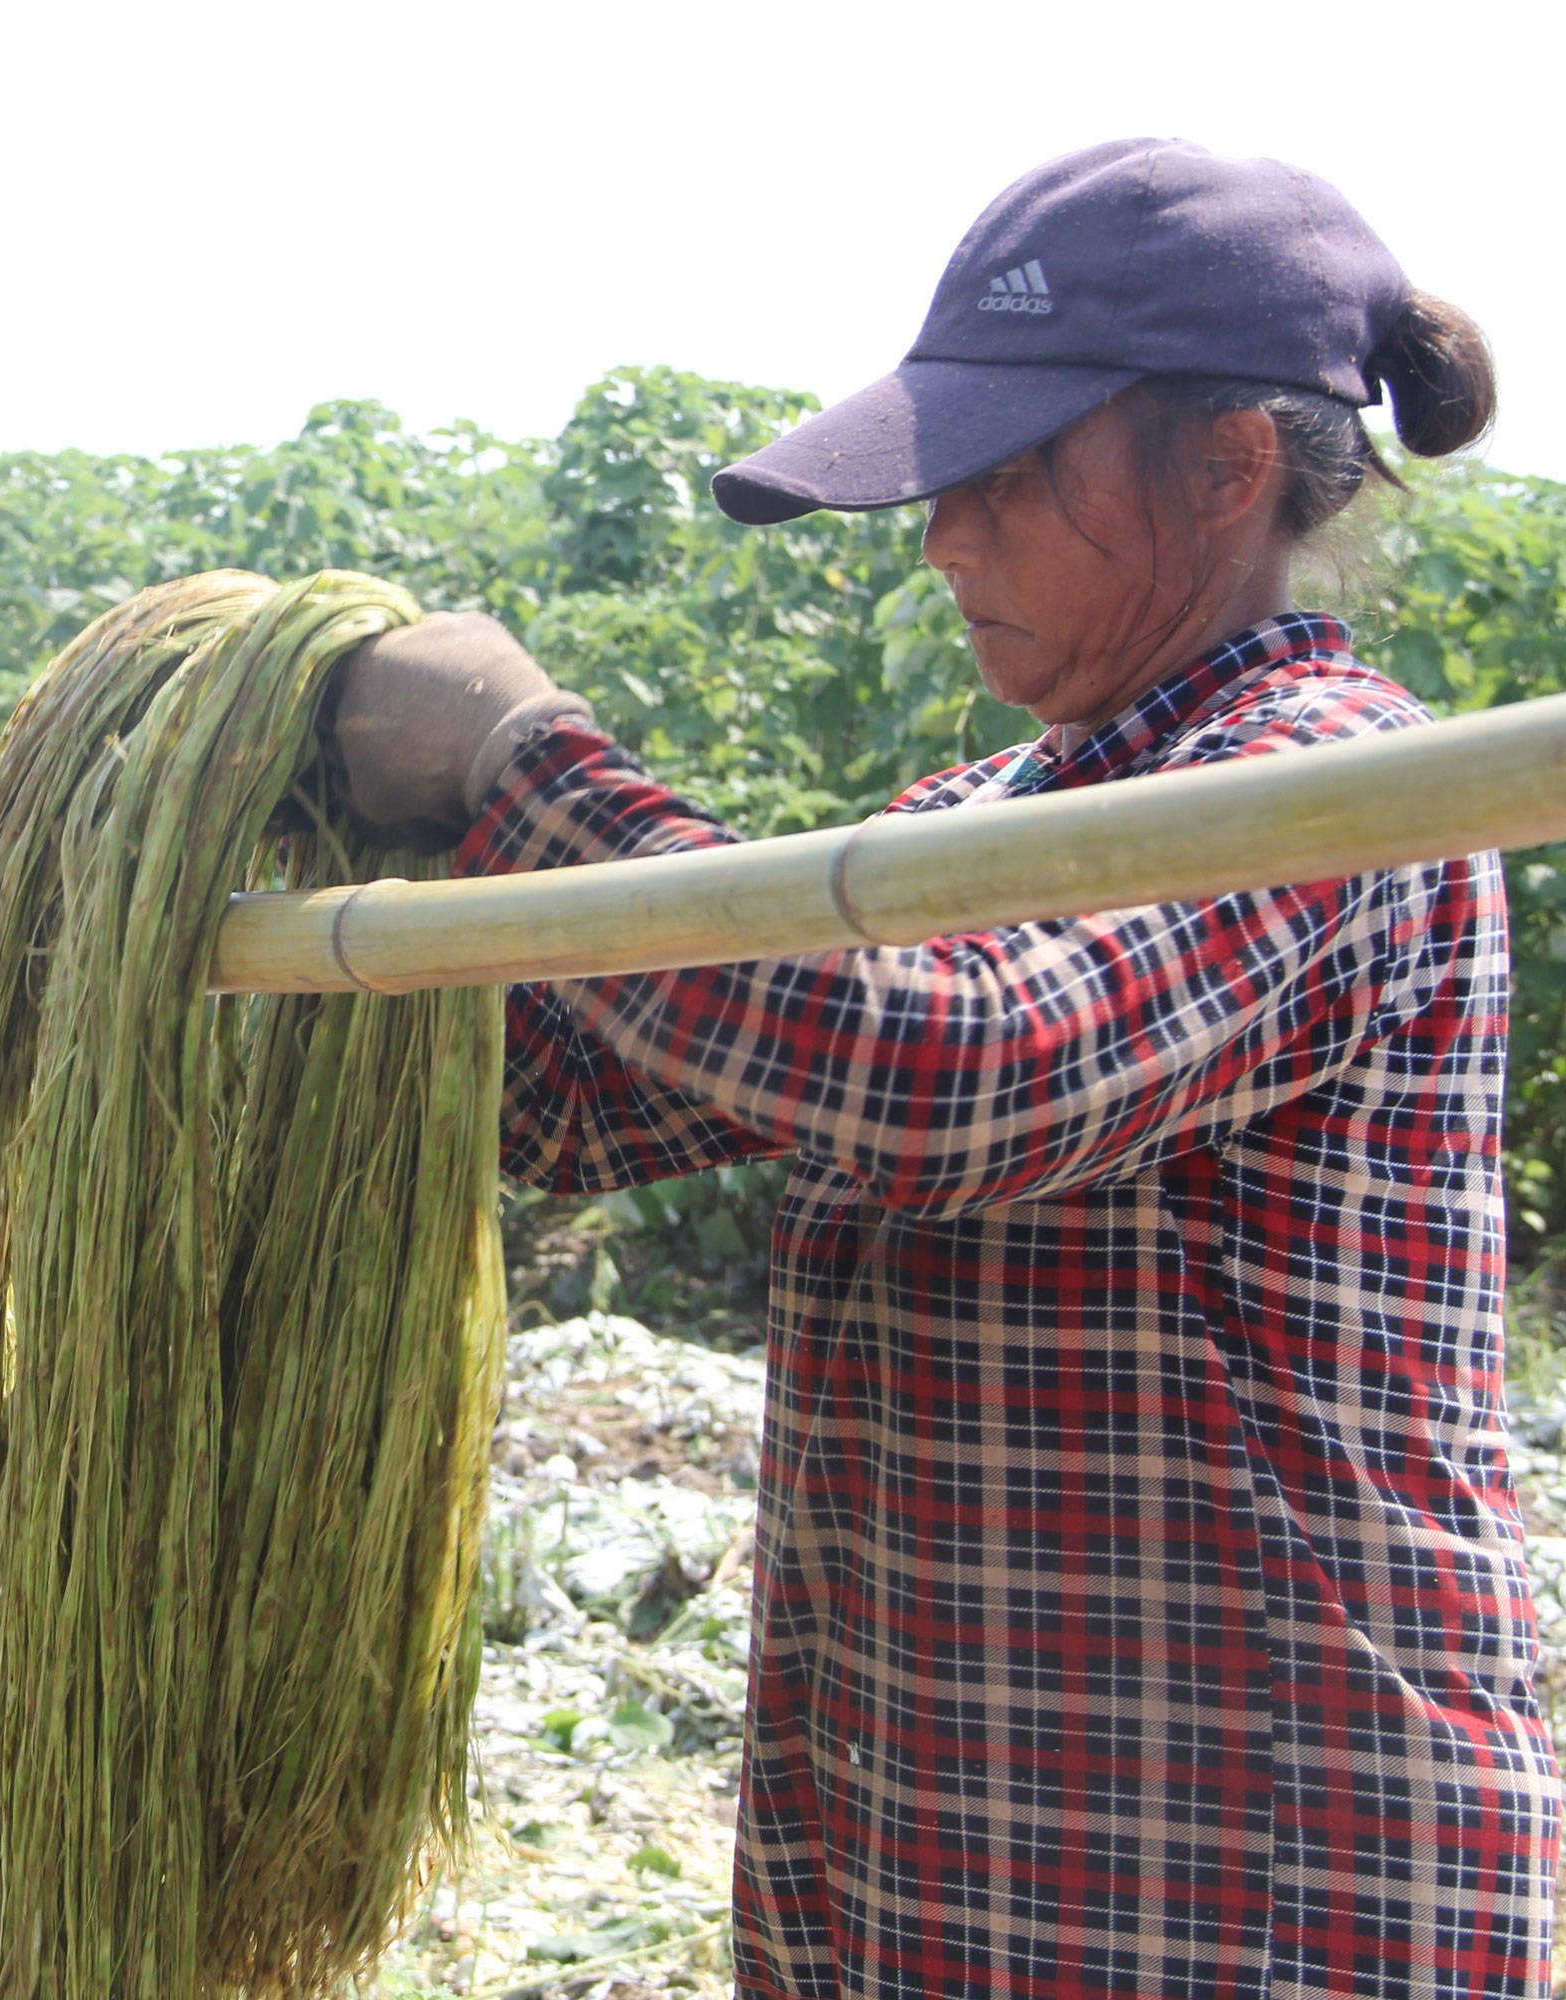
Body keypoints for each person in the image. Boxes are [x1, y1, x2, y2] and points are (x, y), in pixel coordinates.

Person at [327, 138, 1558, 1999]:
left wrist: (523, 764)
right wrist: (335, 898)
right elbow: (580, 1105)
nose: (941, 538)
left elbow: (938, 1070)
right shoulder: (990, 813)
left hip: (1250, 1886)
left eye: (1005, 476)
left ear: (1229, 465)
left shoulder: (1328, 785)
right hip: (928, 1848)